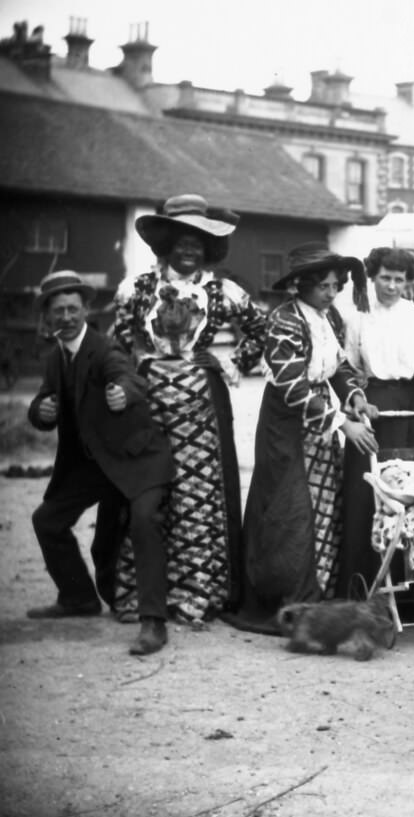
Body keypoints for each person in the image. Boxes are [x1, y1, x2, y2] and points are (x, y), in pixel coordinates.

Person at [113, 193, 267, 624]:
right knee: (148, 497)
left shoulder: (222, 291)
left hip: (201, 407)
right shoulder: (137, 288)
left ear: (208, 247)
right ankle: (143, 596)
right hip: (150, 406)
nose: (188, 248)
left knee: (198, 500)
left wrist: (229, 362)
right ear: (166, 242)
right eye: (181, 240)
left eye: (197, 242)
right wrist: (134, 373)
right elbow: (118, 345)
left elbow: (260, 332)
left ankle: (197, 594)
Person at [224, 245, 378, 634]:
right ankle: (287, 600)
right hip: (287, 425)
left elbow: (338, 364)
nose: (330, 293)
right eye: (322, 286)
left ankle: (319, 592)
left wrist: (354, 396)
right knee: (289, 509)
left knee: (324, 505)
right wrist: (343, 424)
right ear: (300, 286)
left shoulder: (330, 318)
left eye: (335, 285)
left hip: (321, 416)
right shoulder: (284, 322)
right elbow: (292, 386)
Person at [26, 271, 175, 655]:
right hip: (96, 467)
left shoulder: (104, 348)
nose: (66, 317)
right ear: (47, 316)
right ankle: (78, 597)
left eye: (73, 309)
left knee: (144, 522)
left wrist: (123, 393)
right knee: (46, 520)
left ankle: (153, 623)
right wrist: (41, 411)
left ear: (86, 310)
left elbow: (128, 376)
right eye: (58, 310)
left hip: (139, 459)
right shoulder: (54, 359)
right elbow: (44, 405)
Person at [341, 247, 414, 596]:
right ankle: (366, 581)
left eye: (399, 279)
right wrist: (358, 400)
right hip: (375, 409)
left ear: (408, 281)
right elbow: (348, 368)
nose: (392, 286)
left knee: (413, 491)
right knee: (370, 491)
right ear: (372, 277)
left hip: (412, 406)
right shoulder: (358, 319)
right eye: (385, 278)